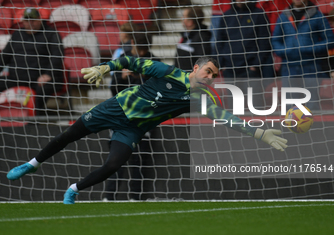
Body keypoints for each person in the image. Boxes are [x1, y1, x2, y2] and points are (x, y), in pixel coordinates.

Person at [6, 56, 288, 204]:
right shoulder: (166, 71)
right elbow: (130, 61)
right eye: (208, 71)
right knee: (68, 136)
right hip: (114, 108)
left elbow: (225, 118)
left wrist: (260, 133)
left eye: (215, 75)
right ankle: (32, 163)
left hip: (133, 129)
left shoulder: (204, 98)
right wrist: (105, 67)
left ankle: (73, 189)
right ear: (196, 68)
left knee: (114, 164)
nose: (211, 78)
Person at [108, 32, 160, 200]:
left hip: (143, 117)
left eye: (145, 50)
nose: (142, 53)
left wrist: (141, 76)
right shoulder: (123, 59)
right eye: (139, 49)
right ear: (132, 43)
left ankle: (136, 197)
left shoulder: (155, 62)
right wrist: (123, 77)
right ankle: (109, 197)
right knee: (116, 159)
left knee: (139, 161)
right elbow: (113, 89)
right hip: (122, 116)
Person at [272, 0, 334, 111]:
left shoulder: (317, 15)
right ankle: (290, 128)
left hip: (311, 66)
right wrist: (285, 50)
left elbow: (329, 40)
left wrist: (310, 49)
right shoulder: (283, 16)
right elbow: (275, 40)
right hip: (289, 66)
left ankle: (316, 127)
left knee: (312, 103)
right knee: (290, 105)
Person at [0, 7, 64, 116]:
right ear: (23, 21)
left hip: (41, 79)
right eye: (27, 21)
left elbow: (57, 56)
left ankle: (34, 120)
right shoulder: (17, 34)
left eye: (33, 20)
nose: (30, 23)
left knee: (42, 89)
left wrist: (48, 74)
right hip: (17, 78)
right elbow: (5, 56)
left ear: (39, 19)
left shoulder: (51, 34)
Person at [216, 0, 274, 109]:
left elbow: (264, 42)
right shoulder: (227, 16)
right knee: (234, 108)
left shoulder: (259, 14)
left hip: (251, 70)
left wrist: (255, 65)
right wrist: (222, 64)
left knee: (255, 106)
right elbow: (220, 41)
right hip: (230, 69)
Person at [174, 6, 211, 72]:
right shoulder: (186, 35)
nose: (181, 18)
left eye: (184, 16)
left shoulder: (201, 37)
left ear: (190, 21)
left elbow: (201, 62)